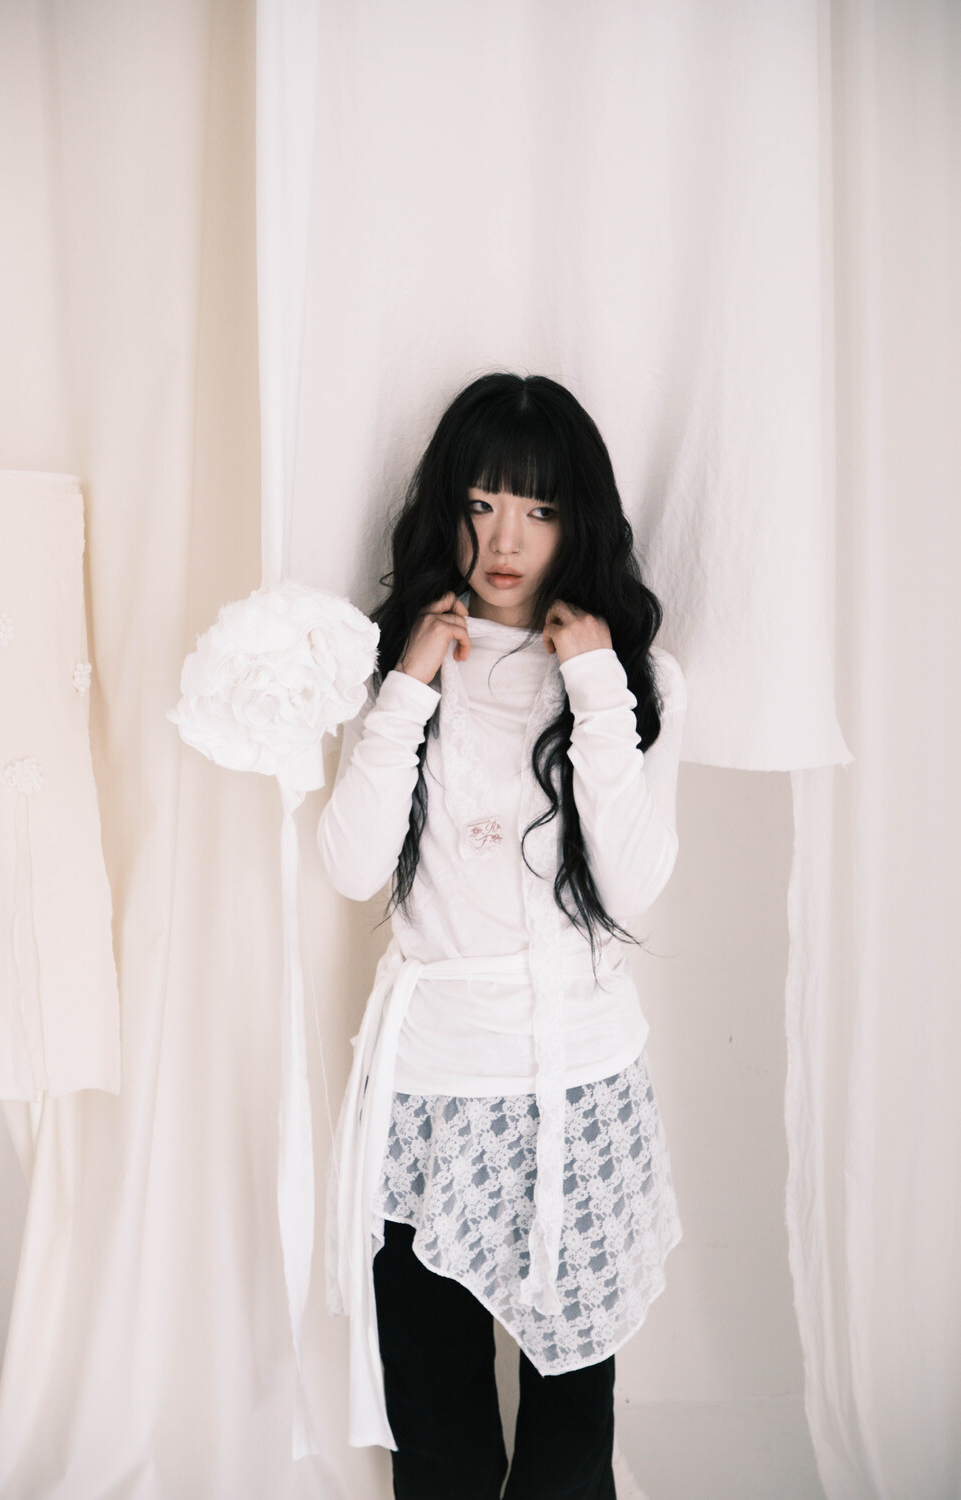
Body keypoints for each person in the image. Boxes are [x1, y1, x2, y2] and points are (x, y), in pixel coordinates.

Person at [319, 372, 686, 1500]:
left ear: (578, 521)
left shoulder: (631, 677)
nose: (505, 540)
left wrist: (595, 686)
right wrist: (409, 688)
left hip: (580, 1082)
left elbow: (635, 883)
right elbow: (349, 865)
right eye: (481, 504)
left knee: (571, 1424)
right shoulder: (402, 662)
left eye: (537, 509)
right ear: (449, 509)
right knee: (436, 1422)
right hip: (430, 1089)